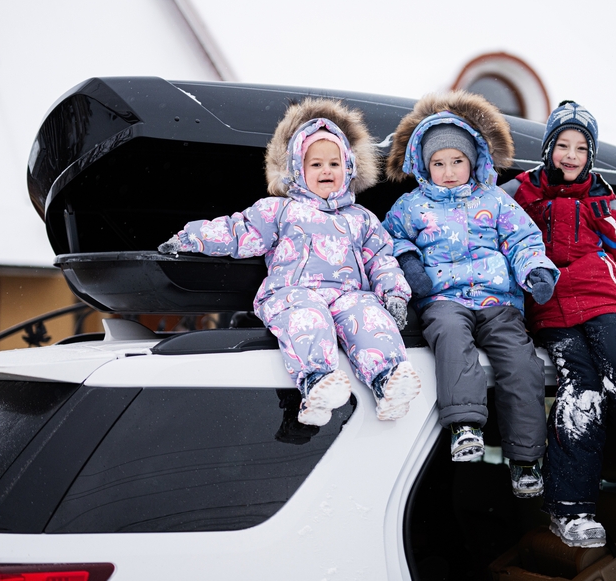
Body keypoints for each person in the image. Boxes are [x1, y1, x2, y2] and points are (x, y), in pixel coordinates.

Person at [159, 98, 421, 426]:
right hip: (295, 290)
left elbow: (381, 259)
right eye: (316, 165)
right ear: (298, 169)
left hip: (347, 295)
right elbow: (237, 231)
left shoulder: (362, 219)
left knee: (368, 315)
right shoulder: (280, 210)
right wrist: (189, 238)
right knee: (307, 318)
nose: (326, 170)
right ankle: (318, 381)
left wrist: (394, 294)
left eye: (334, 164)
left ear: (349, 169)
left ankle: (389, 379)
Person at [512, 100, 616, 548]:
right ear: (548, 148)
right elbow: (497, 233)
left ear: (591, 154)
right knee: (581, 388)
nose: (571, 155)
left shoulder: (602, 198)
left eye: (581, 148)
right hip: (549, 301)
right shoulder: (522, 194)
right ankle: (570, 512)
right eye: (563, 145)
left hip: (600, 292)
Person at [382, 90, 559, 498]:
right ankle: (465, 427)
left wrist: (535, 271)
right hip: (443, 299)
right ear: (425, 167)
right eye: (438, 163)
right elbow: (388, 239)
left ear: (473, 160)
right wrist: (409, 264)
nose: (448, 171)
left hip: (498, 303)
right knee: (451, 341)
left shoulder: (495, 201)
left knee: (521, 362)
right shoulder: (410, 206)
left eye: (456, 161)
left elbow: (522, 241)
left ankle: (526, 459)